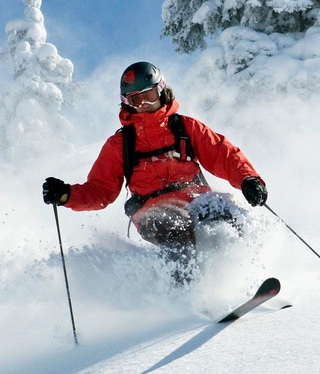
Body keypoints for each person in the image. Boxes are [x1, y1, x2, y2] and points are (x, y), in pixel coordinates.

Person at [42, 61, 268, 285]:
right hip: (152, 210)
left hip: (197, 200)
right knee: (177, 230)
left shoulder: (185, 128)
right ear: (126, 102)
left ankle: (245, 279)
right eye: (135, 100)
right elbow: (101, 190)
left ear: (161, 90)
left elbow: (223, 154)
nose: (142, 105)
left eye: (148, 95)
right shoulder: (120, 144)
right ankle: (189, 293)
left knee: (226, 214)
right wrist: (66, 195)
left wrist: (248, 179)